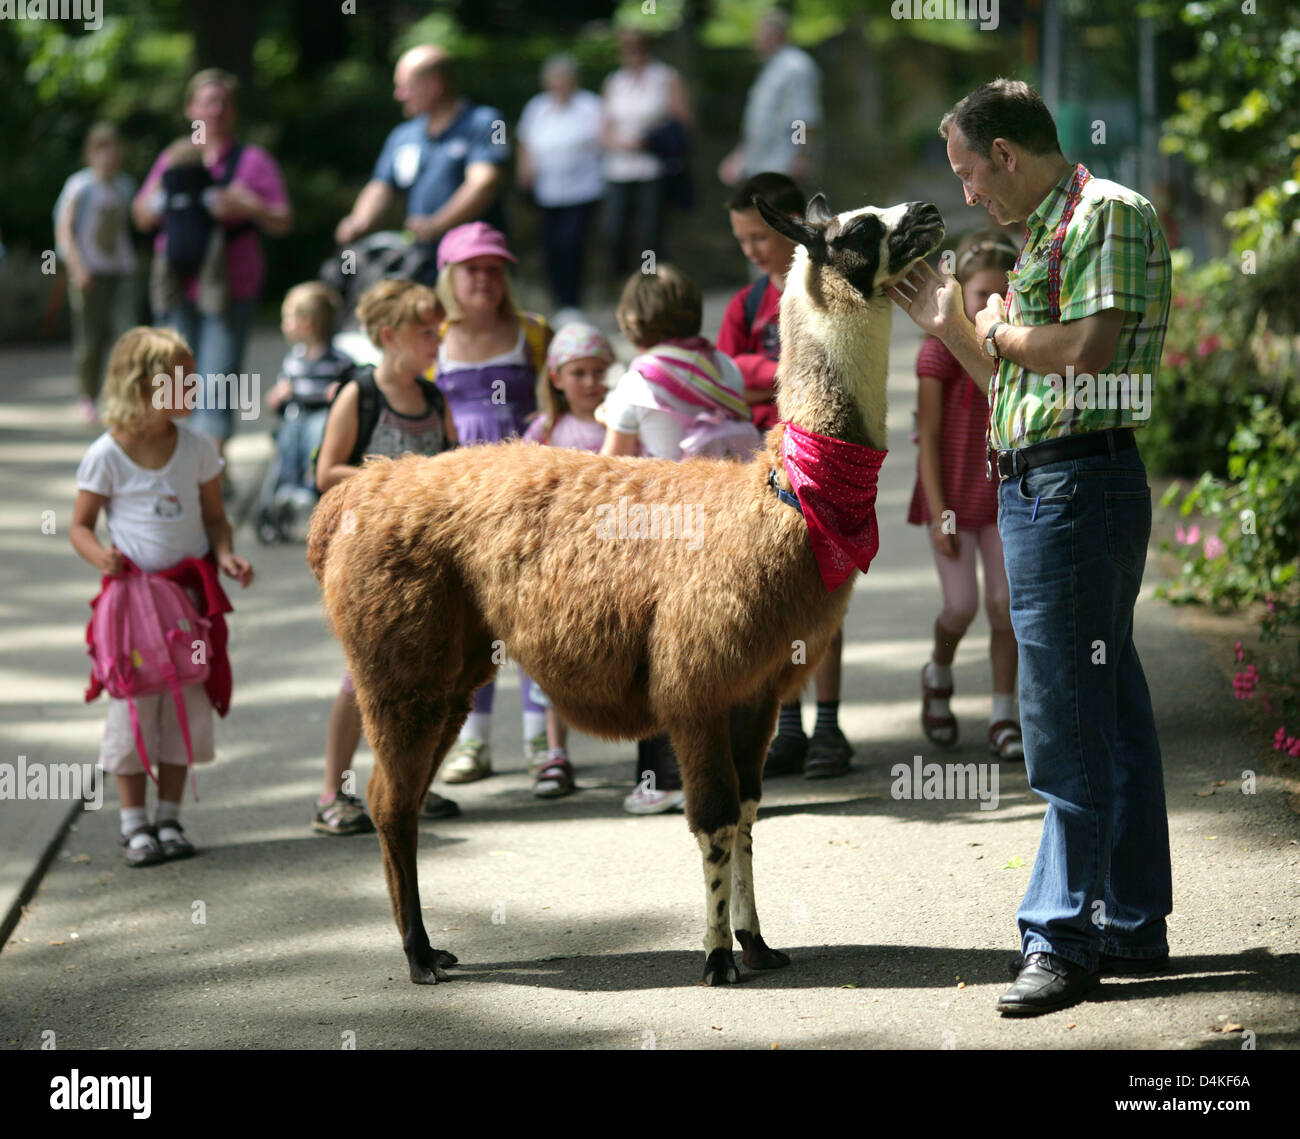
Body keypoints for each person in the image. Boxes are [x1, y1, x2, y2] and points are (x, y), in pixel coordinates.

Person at [889, 78, 1173, 1016]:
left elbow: (1089, 347)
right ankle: (1129, 919)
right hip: (1045, 481)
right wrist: (952, 330)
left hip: (1078, 485)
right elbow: (1007, 378)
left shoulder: (1108, 214)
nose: (967, 193)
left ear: (1006, 154)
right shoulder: (1044, 232)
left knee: (1062, 720)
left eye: (969, 173)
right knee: (1109, 709)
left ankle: (1061, 937)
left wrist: (1000, 329)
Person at [71, 326, 255, 866]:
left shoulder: (197, 449)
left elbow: (216, 518)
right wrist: (99, 554)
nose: (194, 388)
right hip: (131, 609)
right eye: (183, 379)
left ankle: (169, 817)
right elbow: (80, 526)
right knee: (132, 710)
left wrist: (224, 555)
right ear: (145, 384)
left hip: (187, 607)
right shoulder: (107, 453)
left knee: (185, 710)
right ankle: (134, 826)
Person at [715, 172, 854, 778]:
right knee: (775, 599)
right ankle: (787, 726)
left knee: (825, 591)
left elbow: (841, 361)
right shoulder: (745, 306)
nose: (751, 250)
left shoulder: (831, 288)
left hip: (827, 463)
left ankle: (829, 725)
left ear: (792, 226)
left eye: (759, 237)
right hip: (763, 471)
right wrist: (776, 363)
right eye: (741, 238)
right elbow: (722, 373)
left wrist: (763, 368)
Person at [601, 264, 748, 813]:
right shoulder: (725, 367)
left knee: (656, 657)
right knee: (719, 655)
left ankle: (660, 779)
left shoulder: (636, 378)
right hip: (723, 523)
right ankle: (725, 772)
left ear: (635, 320)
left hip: (659, 534)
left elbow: (611, 469)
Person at [314, 279, 457, 832]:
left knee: (428, 674)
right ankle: (334, 792)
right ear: (388, 334)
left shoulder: (434, 398)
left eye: (438, 332)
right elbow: (326, 471)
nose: (435, 342)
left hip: (424, 563)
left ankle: (407, 785)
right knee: (363, 676)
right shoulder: (360, 393)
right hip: (366, 562)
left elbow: (451, 467)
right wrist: (396, 480)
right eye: (425, 332)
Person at [430, 221, 552, 785]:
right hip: (462, 504)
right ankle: (470, 745)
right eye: (472, 268)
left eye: (494, 268)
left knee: (534, 620)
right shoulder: (431, 338)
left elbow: (562, 402)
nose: (485, 279)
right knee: (468, 627)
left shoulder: (533, 333)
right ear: (449, 277)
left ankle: (542, 746)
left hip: (527, 499)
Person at [133, 69, 292, 460]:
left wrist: (248, 205)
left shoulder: (252, 161)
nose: (215, 110)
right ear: (191, 108)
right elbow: (138, 216)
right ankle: (183, 472)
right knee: (173, 383)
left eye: (223, 102)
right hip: (175, 286)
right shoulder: (173, 157)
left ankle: (209, 480)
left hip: (229, 288)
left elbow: (283, 220)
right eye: (207, 101)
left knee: (217, 383)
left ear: (233, 111)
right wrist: (162, 206)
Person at [908, 230, 1024, 760]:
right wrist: (939, 514)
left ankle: (1005, 714)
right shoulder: (939, 354)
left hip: (1002, 499)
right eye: (980, 296)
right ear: (959, 296)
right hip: (952, 498)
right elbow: (927, 436)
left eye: (1004, 295)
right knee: (961, 606)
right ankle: (939, 670)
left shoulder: (1016, 347)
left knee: (1004, 607)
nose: (992, 306)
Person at [522, 323, 616, 797]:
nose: (590, 382)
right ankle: (554, 752)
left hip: (609, 555)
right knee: (553, 656)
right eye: (579, 372)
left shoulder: (615, 424)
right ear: (557, 378)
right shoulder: (545, 430)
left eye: (599, 371)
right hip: (557, 558)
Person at [335, 44, 508, 282]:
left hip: (474, 266)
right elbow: (381, 186)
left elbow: (484, 183)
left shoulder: (487, 122)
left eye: (405, 87)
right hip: (419, 264)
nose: (398, 95)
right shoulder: (403, 135)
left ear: (434, 85)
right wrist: (358, 221)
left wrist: (438, 225)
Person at [54, 122, 139, 424]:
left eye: (114, 148)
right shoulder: (79, 186)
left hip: (122, 270)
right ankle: (87, 394)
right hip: (89, 271)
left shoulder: (126, 186)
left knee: (127, 332)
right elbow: (64, 231)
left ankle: (125, 393)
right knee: (90, 340)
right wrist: (77, 268)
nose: (110, 155)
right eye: (102, 148)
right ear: (91, 153)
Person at [256, 282, 354, 541]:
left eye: (287, 318)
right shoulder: (294, 359)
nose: (283, 324)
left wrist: (339, 391)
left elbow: (350, 386)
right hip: (296, 413)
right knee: (287, 437)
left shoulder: (338, 360)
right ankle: (287, 487)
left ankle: (309, 486)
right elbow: (282, 387)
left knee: (317, 434)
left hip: (323, 414)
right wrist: (277, 397)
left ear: (306, 324)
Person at [517, 54, 604, 321]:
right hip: (548, 192)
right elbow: (525, 142)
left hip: (583, 190)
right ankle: (559, 301)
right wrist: (524, 173)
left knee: (572, 243)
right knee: (551, 247)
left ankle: (573, 302)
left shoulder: (590, 105)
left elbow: (605, 139)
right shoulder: (537, 107)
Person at [600, 29, 693, 277]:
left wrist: (650, 140)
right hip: (618, 167)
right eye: (627, 49)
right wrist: (620, 143)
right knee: (614, 229)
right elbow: (603, 127)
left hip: (653, 167)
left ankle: (653, 280)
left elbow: (682, 121)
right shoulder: (614, 81)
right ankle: (623, 280)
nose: (632, 54)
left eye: (637, 48)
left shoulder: (665, 77)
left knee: (650, 231)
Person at [718, 8, 822, 187]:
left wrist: (800, 156)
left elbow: (802, 117)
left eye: (760, 34)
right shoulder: (771, 69)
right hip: (760, 166)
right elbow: (759, 122)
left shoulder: (796, 66)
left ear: (776, 35)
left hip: (782, 164)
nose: (755, 41)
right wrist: (739, 156)